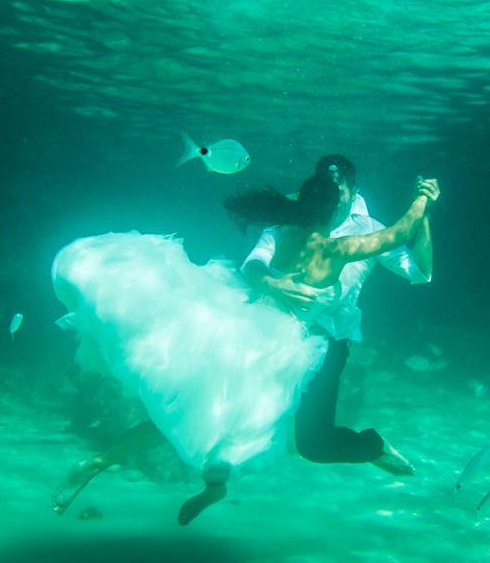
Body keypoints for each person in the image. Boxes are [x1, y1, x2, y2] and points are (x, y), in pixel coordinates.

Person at [49, 167, 439, 526]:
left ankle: (190, 482)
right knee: (207, 416)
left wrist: (424, 215)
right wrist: (422, 199)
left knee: (200, 412)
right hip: (277, 344)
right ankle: (113, 469)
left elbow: (416, 264)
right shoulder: (331, 245)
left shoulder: (295, 229)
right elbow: (399, 230)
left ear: (348, 191)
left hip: (285, 337)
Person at [241, 155, 437, 475]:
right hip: (266, 337)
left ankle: (372, 446)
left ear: (351, 191)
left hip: (327, 343)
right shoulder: (288, 225)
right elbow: (252, 264)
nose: (331, 199)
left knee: (313, 445)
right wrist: (274, 285)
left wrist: (424, 209)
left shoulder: (360, 234)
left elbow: (419, 271)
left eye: (338, 191)